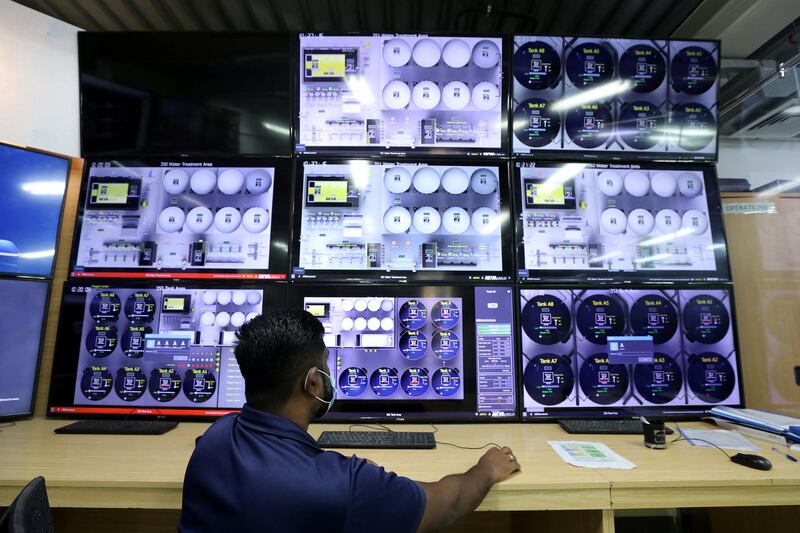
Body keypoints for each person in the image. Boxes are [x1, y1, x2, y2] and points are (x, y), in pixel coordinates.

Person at [179, 310, 520, 533]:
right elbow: (448, 504)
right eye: (326, 362)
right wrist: (486, 469)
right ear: (313, 382)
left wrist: (358, 485)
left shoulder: (213, 438)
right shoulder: (343, 486)